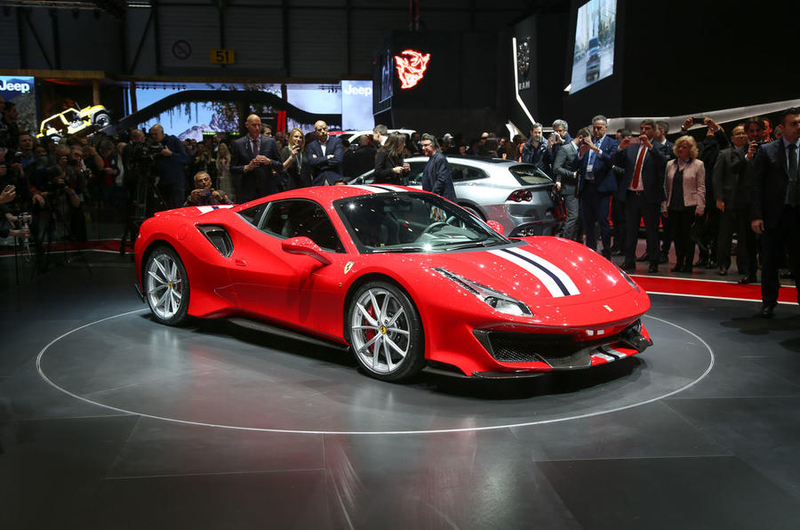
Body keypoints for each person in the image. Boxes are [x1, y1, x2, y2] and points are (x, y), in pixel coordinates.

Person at [750, 107, 800, 318]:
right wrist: (756, 215)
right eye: (794, 124)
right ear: (783, 127)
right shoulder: (767, 150)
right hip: (774, 215)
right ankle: (768, 302)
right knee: (770, 261)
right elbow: (756, 186)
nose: (798, 127)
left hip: (798, 215)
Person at [613, 119, 667, 273]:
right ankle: (629, 260)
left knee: (651, 231)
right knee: (631, 230)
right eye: (642, 128)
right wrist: (620, 148)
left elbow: (663, 163)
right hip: (631, 195)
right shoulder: (632, 147)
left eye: (647, 128)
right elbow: (616, 162)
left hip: (649, 196)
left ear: (654, 131)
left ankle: (654, 261)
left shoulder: (659, 147)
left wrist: (650, 146)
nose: (643, 131)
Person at [713, 125, 752, 277]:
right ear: (732, 138)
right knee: (725, 235)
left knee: (745, 235)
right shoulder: (724, 154)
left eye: (743, 133)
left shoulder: (753, 152)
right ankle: (723, 264)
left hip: (746, 200)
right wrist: (719, 197)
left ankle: (744, 266)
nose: (741, 136)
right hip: (728, 199)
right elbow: (717, 177)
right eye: (738, 133)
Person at [662, 136, 706, 272]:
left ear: (691, 149)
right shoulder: (670, 164)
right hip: (673, 205)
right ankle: (679, 262)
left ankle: (688, 264)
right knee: (677, 236)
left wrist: (701, 206)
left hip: (690, 205)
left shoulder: (698, 164)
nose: (681, 149)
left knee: (689, 237)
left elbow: (701, 186)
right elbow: (665, 187)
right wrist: (664, 205)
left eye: (684, 147)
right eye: (679, 147)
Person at [578, 115, 619, 258]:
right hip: (587, 187)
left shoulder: (612, 143)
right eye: (594, 128)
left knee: (603, 222)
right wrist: (581, 154)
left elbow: (611, 160)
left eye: (599, 128)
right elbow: (579, 163)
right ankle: (591, 252)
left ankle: (606, 253)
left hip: (602, 188)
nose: (596, 131)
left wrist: (595, 149)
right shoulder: (587, 142)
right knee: (588, 223)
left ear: (606, 128)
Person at [231, 114, 283, 202]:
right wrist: (247, 167)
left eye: (259, 125)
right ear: (247, 125)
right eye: (254, 125)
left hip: (267, 190)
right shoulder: (239, 144)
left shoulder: (270, 142)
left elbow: (280, 165)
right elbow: (232, 168)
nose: (257, 128)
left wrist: (269, 161)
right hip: (248, 191)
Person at [552, 127, 589, 241]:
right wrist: (572, 174)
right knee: (573, 216)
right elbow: (556, 168)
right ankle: (566, 241)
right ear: (581, 138)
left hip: (579, 188)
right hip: (569, 188)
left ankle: (576, 241)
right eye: (588, 141)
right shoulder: (565, 149)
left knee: (579, 217)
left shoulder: (582, 150)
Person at [149, 124, 191, 209]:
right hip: (161, 182)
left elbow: (186, 159)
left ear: (162, 132)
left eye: (155, 134)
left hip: (175, 182)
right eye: (152, 134)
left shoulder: (173, 140)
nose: (154, 136)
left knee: (176, 207)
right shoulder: (152, 144)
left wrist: (171, 154)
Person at [306, 120, 344, 186]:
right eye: (319, 130)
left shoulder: (336, 141)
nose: (323, 131)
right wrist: (328, 157)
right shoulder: (312, 145)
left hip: (335, 180)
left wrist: (319, 164)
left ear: (327, 128)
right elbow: (311, 162)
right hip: (318, 181)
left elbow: (338, 160)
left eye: (324, 128)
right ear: (316, 132)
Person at [420, 133, 455, 200]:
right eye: (422, 146)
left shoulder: (440, 159)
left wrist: (432, 195)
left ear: (433, 145)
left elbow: (441, 180)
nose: (423, 148)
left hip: (441, 200)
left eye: (426, 145)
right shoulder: (431, 159)